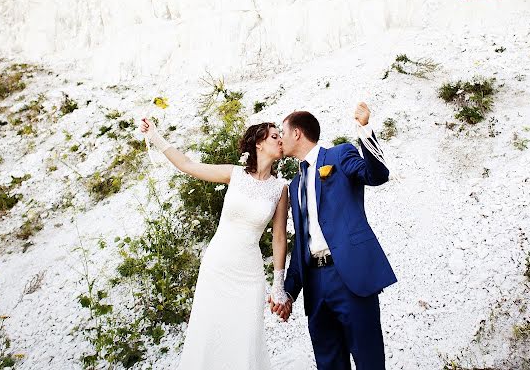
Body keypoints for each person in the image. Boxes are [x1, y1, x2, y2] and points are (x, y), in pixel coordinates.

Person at [141, 117, 291, 370]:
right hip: (218, 265)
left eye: (280, 135)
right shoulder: (234, 174)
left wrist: (278, 284)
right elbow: (188, 165)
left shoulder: (280, 189)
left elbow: (279, 237)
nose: (280, 140)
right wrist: (155, 136)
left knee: (245, 337)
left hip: (249, 273)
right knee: (209, 332)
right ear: (259, 144)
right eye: (274, 136)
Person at [271, 102, 396, 370]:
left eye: (283, 131)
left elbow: (377, 175)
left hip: (349, 275)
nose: (280, 138)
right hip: (315, 286)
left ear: (297, 133)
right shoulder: (294, 185)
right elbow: (301, 241)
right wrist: (288, 291)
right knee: (328, 363)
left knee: (368, 359)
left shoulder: (340, 155)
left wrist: (365, 129)